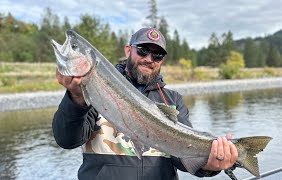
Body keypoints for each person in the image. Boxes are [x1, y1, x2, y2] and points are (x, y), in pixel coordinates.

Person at [53, 27, 238, 180]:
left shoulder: (173, 101)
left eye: (157, 55)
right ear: (128, 50)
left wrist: (209, 165)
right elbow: (67, 140)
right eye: (142, 50)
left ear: (161, 61)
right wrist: (75, 98)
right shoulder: (93, 92)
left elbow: (182, 157)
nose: (149, 59)